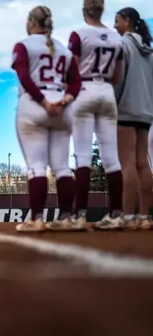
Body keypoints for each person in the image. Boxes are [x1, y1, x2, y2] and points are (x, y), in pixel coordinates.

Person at [12, 5, 82, 232]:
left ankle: (37, 218)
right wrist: (64, 100)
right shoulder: (63, 49)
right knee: (62, 167)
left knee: (36, 167)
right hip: (61, 106)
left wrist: (43, 102)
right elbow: (76, 83)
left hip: (34, 105)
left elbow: (24, 77)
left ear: (32, 22)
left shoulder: (24, 45)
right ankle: (65, 218)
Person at [68, 0, 124, 231]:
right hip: (107, 92)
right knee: (111, 157)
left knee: (82, 156)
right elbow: (117, 76)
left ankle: (79, 214)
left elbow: (73, 70)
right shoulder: (116, 37)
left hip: (84, 89)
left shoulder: (79, 34)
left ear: (84, 11)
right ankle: (116, 214)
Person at [114, 7, 153, 229]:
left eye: (117, 21)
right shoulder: (149, 50)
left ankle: (127, 215)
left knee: (126, 163)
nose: (114, 25)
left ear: (127, 22)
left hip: (127, 110)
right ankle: (145, 216)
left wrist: (113, 105)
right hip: (146, 113)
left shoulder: (123, 45)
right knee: (142, 163)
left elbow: (118, 79)